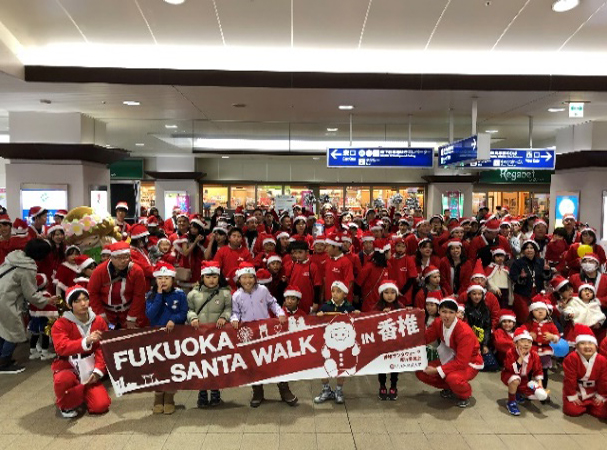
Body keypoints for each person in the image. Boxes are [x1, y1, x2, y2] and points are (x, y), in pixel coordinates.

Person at [230, 262, 297, 408]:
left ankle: (284, 390)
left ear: (255, 278)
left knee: (274, 360)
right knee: (253, 363)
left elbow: (273, 303)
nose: (247, 281)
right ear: (239, 280)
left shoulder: (262, 290)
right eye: (244, 278)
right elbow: (235, 313)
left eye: (250, 277)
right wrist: (234, 319)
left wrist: (280, 313)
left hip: (265, 331)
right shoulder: (236, 296)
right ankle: (258, 392)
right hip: (249, 334)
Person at [51, 285, 111, 418]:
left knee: (101, 405)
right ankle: (65, 404)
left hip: (90, 367)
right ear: (69, 304)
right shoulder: (61, 324)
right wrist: (86, 341)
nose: (83, 304)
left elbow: (103, 348)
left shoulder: (98, 321)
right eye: (77, 301)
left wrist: (98, 371)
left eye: (85, 299)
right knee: (63, 380)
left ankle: (81, 392)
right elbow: (61, 347)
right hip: (68, 366)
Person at [0, 239, 57, 373]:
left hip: (2, 296)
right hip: (6, 301)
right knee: (14, 332)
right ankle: (4, 362)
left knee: (2, 330)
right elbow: (30, 294)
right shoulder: (27, 269)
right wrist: (48, 301)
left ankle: (2, 358)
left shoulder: (14, 257)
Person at [416, 297, 484, 408]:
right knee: (421, 371)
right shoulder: (438, 322)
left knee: (453, 378)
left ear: (457, 313)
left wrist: (437, 370)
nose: (447, 316)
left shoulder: (464, 332)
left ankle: (464, 394)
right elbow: (425, 338)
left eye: (451, 312)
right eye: (444, 312)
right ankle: (450, 387)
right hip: (449, 356)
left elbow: (461, 362)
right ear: (439, 311)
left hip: (469, 362)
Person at [187, 260, 232, 407]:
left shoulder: (225, 293)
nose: (211, 280)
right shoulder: (193, 294)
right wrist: (192, 318)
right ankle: (202, 392)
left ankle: (215, 392)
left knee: (216, 364)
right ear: (202, 277)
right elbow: (189, 310)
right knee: (201, 364)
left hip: (217, 335)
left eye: (214, 276)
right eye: (208, 276)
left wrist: (224, 317)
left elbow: (228, 309)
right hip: (199, 335)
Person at [145, 262, 188, 415]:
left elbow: (184, 313)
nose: (163, 281)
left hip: (174, 338)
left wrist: (174, 319)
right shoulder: (150, 296)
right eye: (160, 278)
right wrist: (159, 295)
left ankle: (169, 397)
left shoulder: (180, 294)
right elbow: (150, 315)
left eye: (167, 278)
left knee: (172, 368)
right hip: (156, 338)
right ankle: (158, 398)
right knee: (158, 369)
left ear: (172, 280)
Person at [314, 281, 360, 404]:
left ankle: (339, 390)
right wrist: (318, 315)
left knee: (342, 367)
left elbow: (355, 323)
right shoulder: (325, 306)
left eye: (338, 291)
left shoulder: (349, 308)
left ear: (345, 294)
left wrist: (357, 314)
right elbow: (317, 323)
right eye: (333, 291)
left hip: (343, 345)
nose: (335, 294)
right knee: (323, 366)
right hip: (327, 344)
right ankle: (326, 389)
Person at [88, 241, 147, 329]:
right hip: (106, 311)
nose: (123, 261)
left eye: (126, 257)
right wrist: (101, 314)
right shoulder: (99, 271)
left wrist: (131, 318)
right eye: (118, 258)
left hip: (129, 310)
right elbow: (92, 293)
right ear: (111, 257)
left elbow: (139, 295)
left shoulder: (137, 271)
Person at [562, 324, 607, 419]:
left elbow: (604, 380)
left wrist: (601, 395)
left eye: (591, 343)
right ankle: (584, 405)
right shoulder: (571, 358)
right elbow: (569, 379)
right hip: (578, 390)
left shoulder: (602, 360)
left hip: (594, 391)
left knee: (603, 413)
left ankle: (590, 406)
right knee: (572, 410)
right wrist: (572, 395)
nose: (587, 346)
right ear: (576, 346)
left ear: (596, 346)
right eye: (582, 343)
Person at [502, 327, 546, 416]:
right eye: (523, 341)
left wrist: (540, 384)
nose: (526, 344)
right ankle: (511, 402)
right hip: (509, 375)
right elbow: (513, 370)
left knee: (536, 395)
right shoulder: (510, 353)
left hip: (524, 378)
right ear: (516, 343)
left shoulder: (534, 355)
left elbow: (538, 370)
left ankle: (518, 393)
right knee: (515, 380)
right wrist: (521, 357)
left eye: (529, 342)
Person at [509, 240, 552, 324]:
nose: (529, 250)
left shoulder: (541, 262)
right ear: (523, 250)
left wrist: (547, 271)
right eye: (527, 248)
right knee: (525, 317)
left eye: (531, 248)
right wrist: (521, 277)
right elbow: (513, 277)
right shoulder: (518, 263)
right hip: (522, 294)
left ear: (535, 250)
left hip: (538, 293)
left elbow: (547, 278)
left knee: (538, 315)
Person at [375, 280, 403, 400]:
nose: (390, 295)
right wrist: (381, 314)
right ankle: (382, 385)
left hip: (395, 344)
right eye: (386, 292)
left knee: (394, 366)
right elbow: (371, 321)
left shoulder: (400, 306)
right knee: (382, 366)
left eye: (392, 292)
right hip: (382, 345)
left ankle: (393, 386)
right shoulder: (377, 307)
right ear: (381, 294)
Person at [524, 296, 560, 388]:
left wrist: (552, 337)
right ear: (532, 312)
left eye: (542, 310)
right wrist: (528, 334)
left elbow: (557, 335)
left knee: (544, 372)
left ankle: (543, 389)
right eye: (537, 310)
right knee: (529, 370)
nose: (540, 312)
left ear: (547, 312)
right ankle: (527, 388)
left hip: (545, 352)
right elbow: (521, 332)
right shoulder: (529, 323)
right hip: (532, 351)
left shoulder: (550, 324)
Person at [285, 240, 323, 314]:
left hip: (308, 302)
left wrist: (316, 302)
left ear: (307, 252)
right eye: (295, 252)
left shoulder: (312, 267)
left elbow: (317, 286)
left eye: (300, 252)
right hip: (294, 303)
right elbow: (288, 283)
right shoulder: (292, 266)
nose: (298, 255)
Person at [357, 240, 390, 312]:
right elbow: (358, 282)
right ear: (384, 253)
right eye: (389, 251)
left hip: (382, 302)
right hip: (369, 302)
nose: (391, 253)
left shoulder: (387, 266)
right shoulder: (369, 266)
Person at [323, 233, 354, 303]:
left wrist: (341, 299)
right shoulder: (327, 260)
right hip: (329, 300)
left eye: (328, 246)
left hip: (341, 303)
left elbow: (349, 282)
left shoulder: (346, 262)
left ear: (336, 247)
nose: (326, 249)